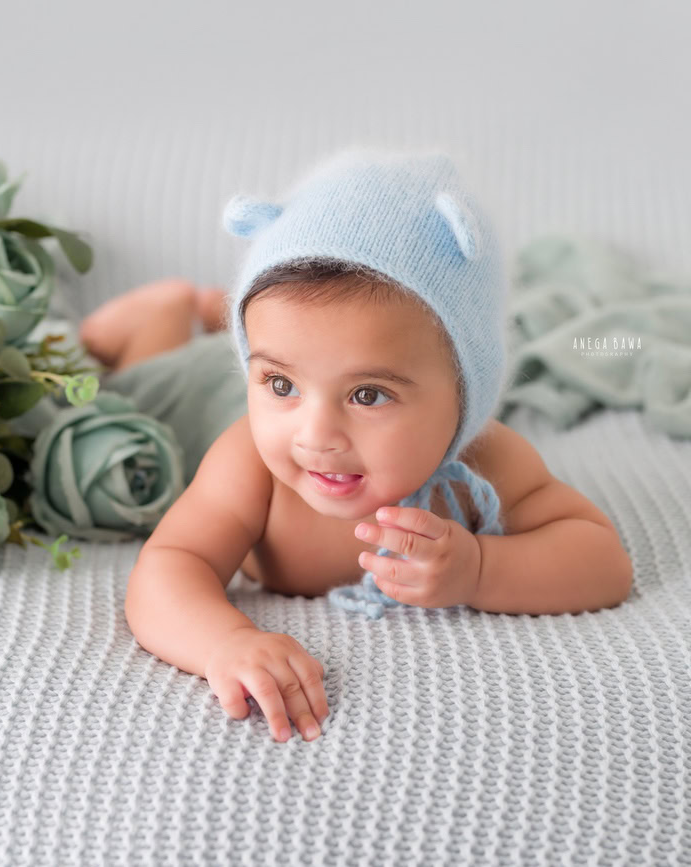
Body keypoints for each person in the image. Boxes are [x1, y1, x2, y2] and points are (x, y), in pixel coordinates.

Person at [82, 149, 633, 743]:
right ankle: (158, 318)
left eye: (368, 395)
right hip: (194, 400)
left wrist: (481, 570)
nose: (316, 435)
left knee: (296, 361)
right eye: (280, 385)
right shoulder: (249, 462)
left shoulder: (487, 464)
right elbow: (169, 566)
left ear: (464, 394)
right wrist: (224, 642)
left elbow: (604, 562)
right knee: (142, 388)